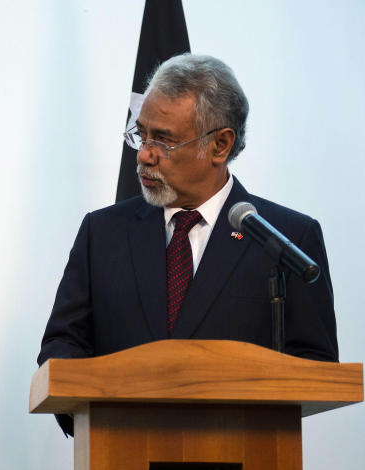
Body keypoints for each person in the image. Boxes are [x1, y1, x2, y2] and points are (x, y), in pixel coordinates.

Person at [37, 54, 338, 437]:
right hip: (118, 462)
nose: (144, 154)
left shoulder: (287, 239)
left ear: (220, 145)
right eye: (140, 134)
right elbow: (62, 344)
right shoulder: (103, 233)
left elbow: (315, 362)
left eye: (163, 140)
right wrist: (94, 413)